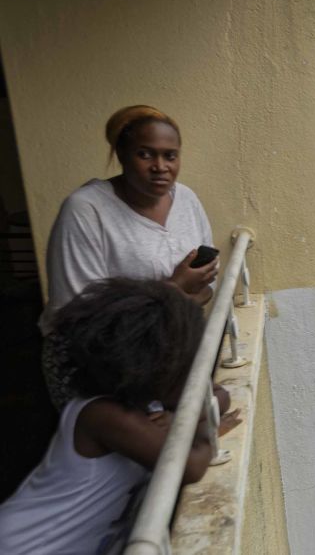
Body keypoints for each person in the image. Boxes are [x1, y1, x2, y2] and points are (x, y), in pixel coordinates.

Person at [0, 279, 217, 554]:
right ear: (154, 367)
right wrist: (205, 430)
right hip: (27, 545)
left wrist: (180, 418)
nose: (191, 371)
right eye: (184, 362)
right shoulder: (104, 416)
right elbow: (189, 466)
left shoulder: (145, 405)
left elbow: (217, 394)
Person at [41, 105, 219, 410]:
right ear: (120, 155)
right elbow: (79, 319)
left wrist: (173, 302)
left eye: (170, 155)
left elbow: (206, 288)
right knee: (138, 451)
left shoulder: (186, 199)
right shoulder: (86, 211)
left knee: (205, 413)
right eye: (145, 154)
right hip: (98, 371)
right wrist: (173, 290)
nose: (160, 166)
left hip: (165, 357)